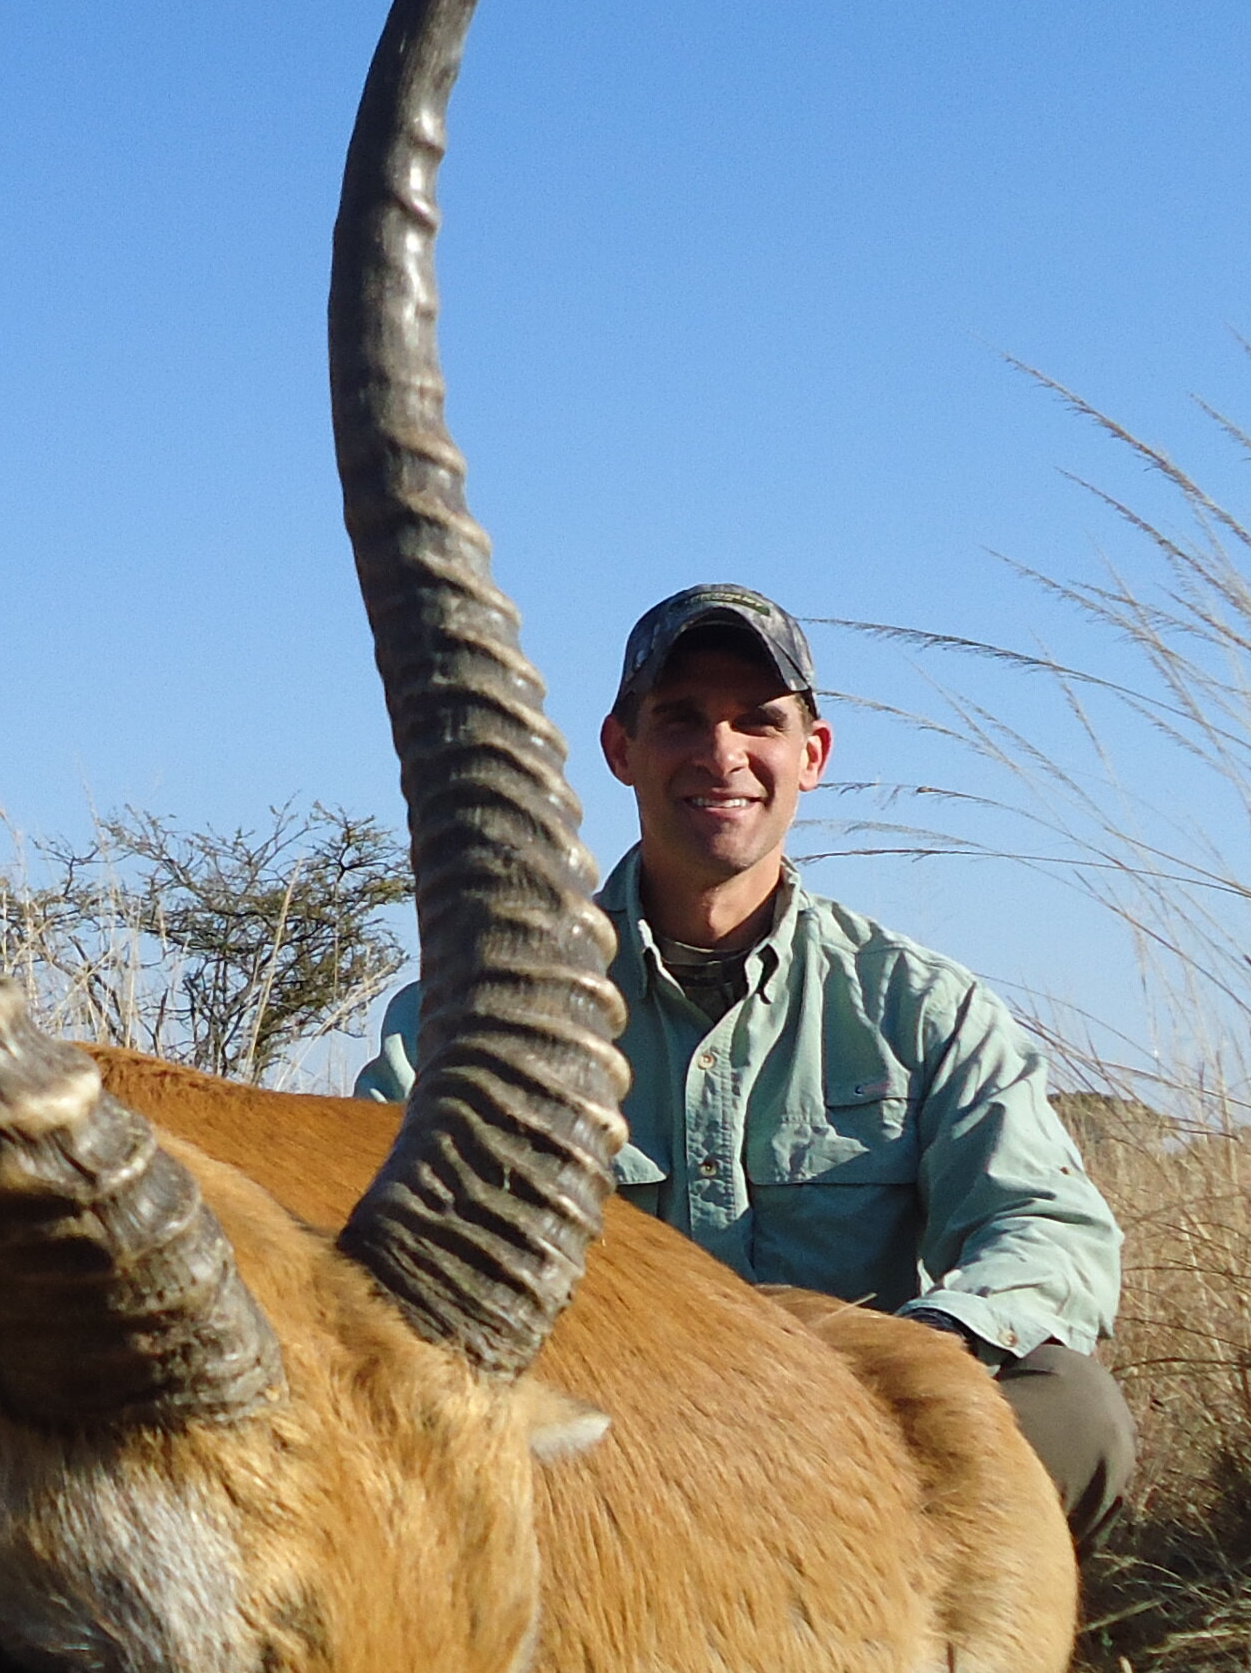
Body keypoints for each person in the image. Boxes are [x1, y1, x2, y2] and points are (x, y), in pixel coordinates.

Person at [358, 584, 1135, 1539]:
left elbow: (1050, 1231)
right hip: (591, 1457)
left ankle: (930, 1668)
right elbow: (360, 1233)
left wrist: (908, 1356)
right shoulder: (481, 1008)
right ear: (620, 751)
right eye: (680, 719)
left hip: (852, 1442)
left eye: (758, 722)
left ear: (811, 756)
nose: (721, 754)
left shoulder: (923, 1006)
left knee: (1072, 1412)